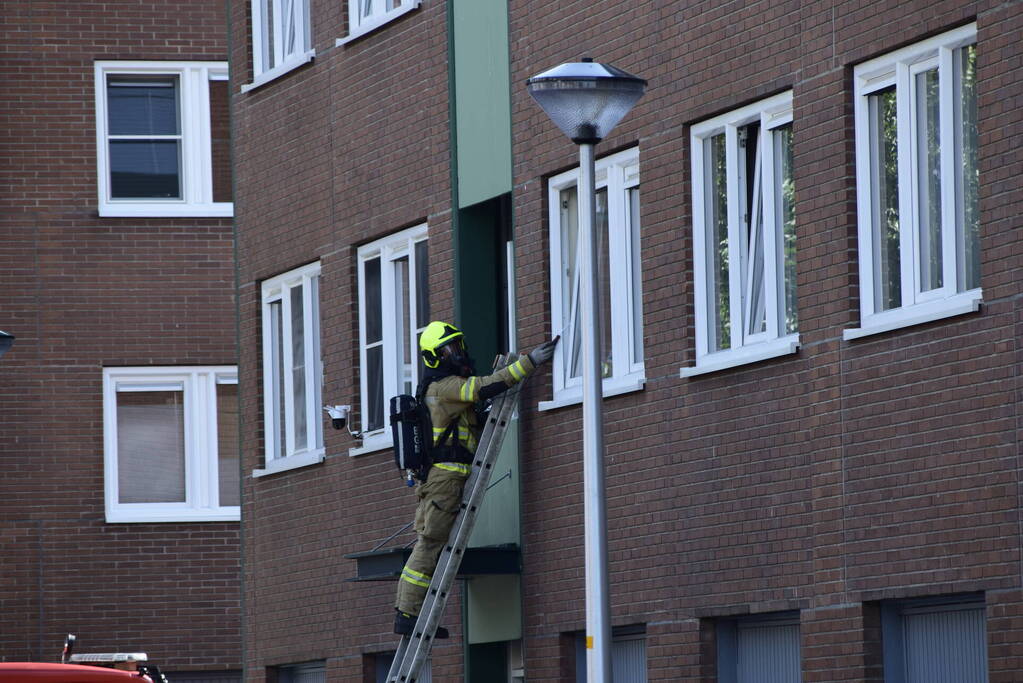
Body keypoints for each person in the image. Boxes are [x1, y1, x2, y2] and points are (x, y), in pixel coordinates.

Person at [394, 320, 558, 637]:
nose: (456, 353)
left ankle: (410, 611)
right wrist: (530, 362)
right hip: (445, 480)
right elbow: (484, 387)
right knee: (429, 545)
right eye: (448, 349)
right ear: (433, 357)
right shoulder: (444, 388)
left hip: (448, 479)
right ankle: (406, 613)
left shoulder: (444, 389)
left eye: (457, 346)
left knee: (433, 545)